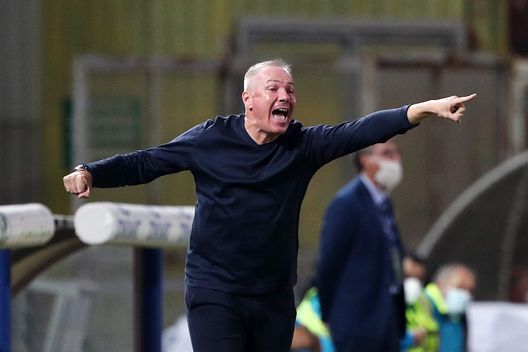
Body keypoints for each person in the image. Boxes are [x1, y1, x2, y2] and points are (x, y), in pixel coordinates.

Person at [63, 58, 476, 352]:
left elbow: (359, 130)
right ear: (248, 99)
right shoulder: (210, 140)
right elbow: (148, 162)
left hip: (274, 296)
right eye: (273, 88)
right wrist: (91, 172)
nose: (285, 96)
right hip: (215, 290)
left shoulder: (303, 145)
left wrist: (423, 109)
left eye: (290, 90)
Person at [315, 139, 410, 352]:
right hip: (357, 321)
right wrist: (328, 314)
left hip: (387, 318)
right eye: (387, 153)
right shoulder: (347, 203)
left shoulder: (385, 202)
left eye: (397, 152)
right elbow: (328, 262)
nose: (396, 159)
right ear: (365, 159)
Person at [423, 263, 476, 352]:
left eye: (470, 290)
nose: (466, 294)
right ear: (441, 283)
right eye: (461, 287)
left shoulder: (458, 314)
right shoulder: (423, 304)